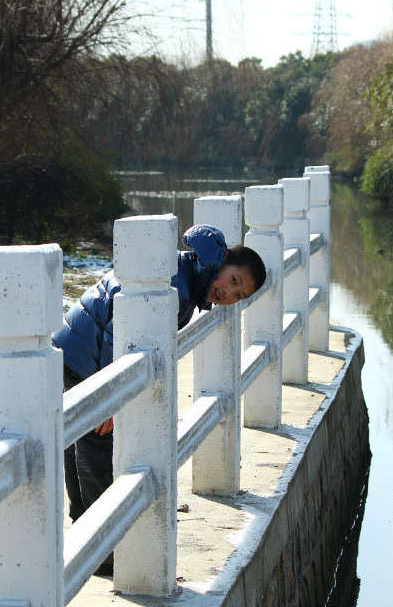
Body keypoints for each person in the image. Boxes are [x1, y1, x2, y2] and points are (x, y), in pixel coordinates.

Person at [53, 224, 266, 571]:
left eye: (238, 295)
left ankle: (85, 530)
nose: (228, 293)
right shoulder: (176, 286)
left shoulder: (182, 274)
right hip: (86, 355)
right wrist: (110, 396)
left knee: (79, 439)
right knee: (96, 444)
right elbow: (117, 334)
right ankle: (100, 546)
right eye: (234, 281)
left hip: (73, 347)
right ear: (221, 261)